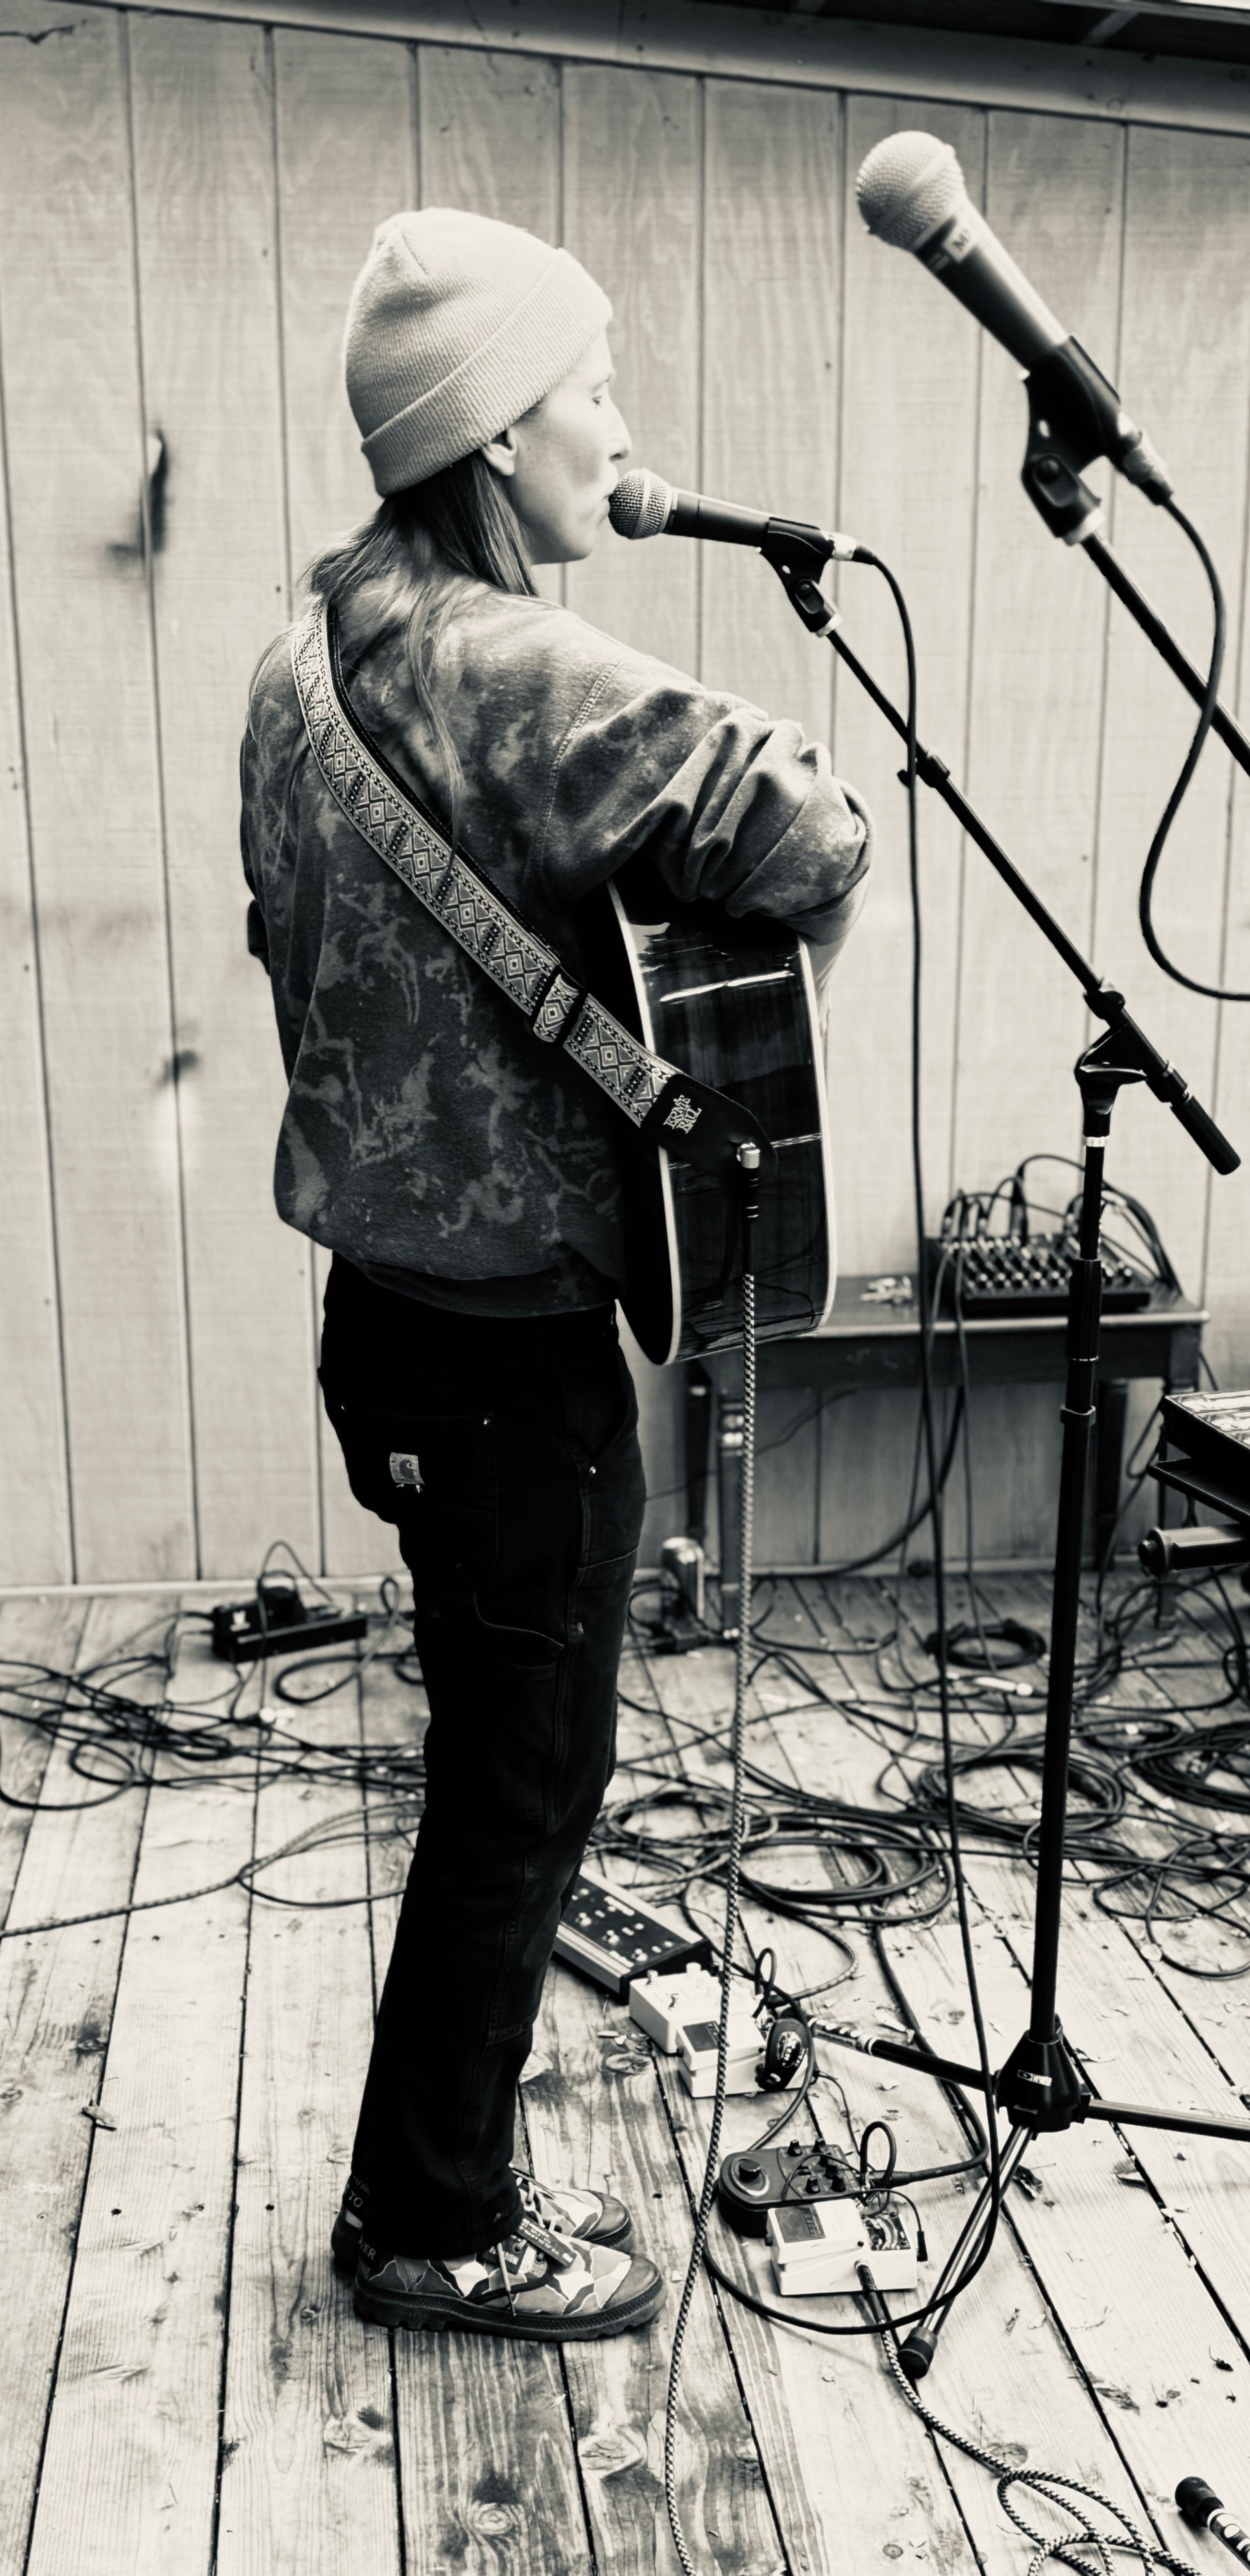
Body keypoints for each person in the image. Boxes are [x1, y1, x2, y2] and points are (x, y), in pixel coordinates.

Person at [239, 207, 872, 2346]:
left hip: (386, 1313)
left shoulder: (305, 649)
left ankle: (440, 2167)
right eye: (592, 390)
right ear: (501, 435)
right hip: (512, 1341)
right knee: (528, 1784)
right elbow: (803, 835)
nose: (622, 428)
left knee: (498, 1753)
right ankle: (428, 2217)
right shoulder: (521, 668)